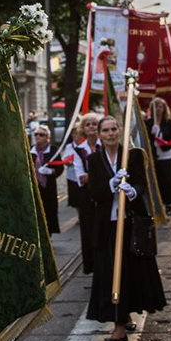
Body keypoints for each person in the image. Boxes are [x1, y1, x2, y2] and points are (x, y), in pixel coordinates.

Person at [85, 116, 166, 341]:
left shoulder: (134, 155)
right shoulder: (94, 160)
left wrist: (132, 191)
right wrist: (110, 185)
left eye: (114, 129)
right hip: (107, 225)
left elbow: (141, 183)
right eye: (106, 130)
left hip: (129, 224)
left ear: (119, 131)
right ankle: (119, 327)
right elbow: (93, 193)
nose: (110, 134)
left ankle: (125, 316)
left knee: (129, 272)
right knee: (112, 273)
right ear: (100, 134)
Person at [72, 112, 102, 275]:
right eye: (88, 124)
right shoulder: (79, 151)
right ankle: (92, 265)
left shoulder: (104, 146)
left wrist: (93, 175)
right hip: (86, 196)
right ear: (83, 128)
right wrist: (99, 176)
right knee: (89, 231)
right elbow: (81, 178)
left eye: (94, 124)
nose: (91, 127)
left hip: (104, 195)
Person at [145, 97, 171, 217]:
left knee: (167, 180)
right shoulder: (148, 123)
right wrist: (152, 135)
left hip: (166, 155)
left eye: (160, 106)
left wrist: (161, 136)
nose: (158, 109)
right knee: (157, 180)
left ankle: (168, 203)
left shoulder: (168, 123)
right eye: (155, 106)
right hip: (154, 156)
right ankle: (157, 204)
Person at [31, 124, 63, 234]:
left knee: (49, 211)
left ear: (47, 137)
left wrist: (51, 171)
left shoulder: (53, 150)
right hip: (34, 187)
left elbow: (60, 167)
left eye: (41, 134)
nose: (38, 136)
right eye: (36, 134)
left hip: (48, 187)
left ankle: (48, 235)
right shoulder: (31, 150)